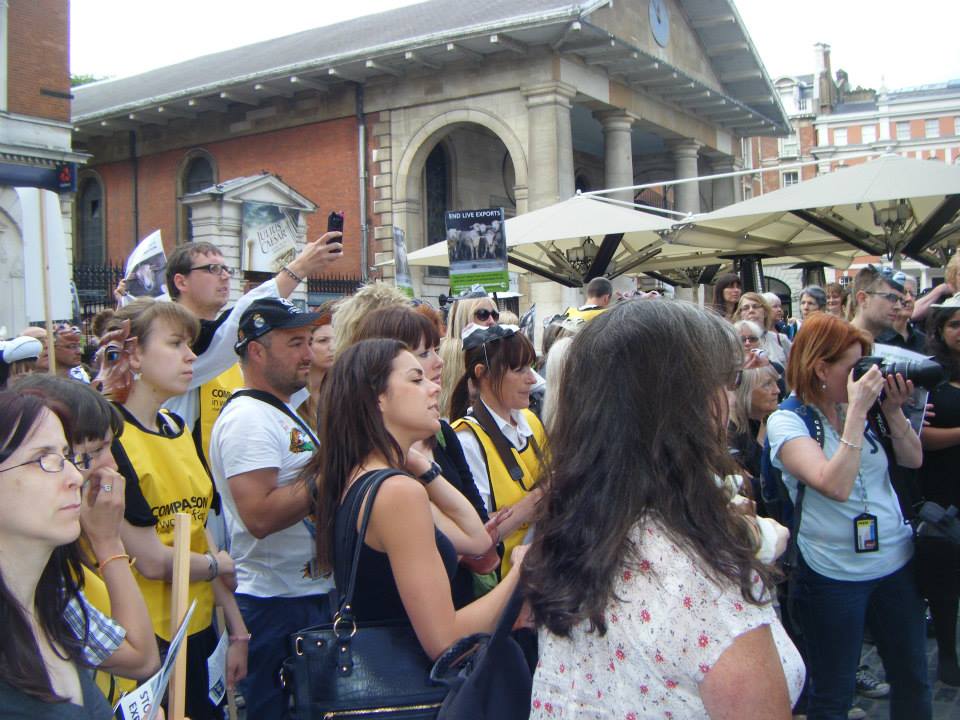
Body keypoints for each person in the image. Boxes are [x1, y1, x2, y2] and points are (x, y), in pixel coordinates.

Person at [524, 300, 804, 719]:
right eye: (725, 382)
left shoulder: (574, 523)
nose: (729, 399)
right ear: (684, 404)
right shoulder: (709, 584)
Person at [307, 338, 526, 662]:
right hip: (409, 676)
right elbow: (445, 641)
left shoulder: (365, 476)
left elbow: (477, 539)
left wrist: (422, 466)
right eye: (415, 379)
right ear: (378, 398)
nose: (434, 388)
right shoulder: (396, 492)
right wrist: (523, 572)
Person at [767, 312, 930, 719]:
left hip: (896, 563)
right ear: (821, 369)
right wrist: (856, 413)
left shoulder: (869, 409)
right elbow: (834, 485)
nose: (866, 376)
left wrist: (892, 410)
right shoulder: (788, 420)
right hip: (832, 574)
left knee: (912, 677)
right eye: (854, 367)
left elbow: (913, 459)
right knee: (833, 691)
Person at [105, 298, 248, 720]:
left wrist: (236, 628)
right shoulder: (110, 439)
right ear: (134, 354)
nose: (191, 356)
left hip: (198, 624)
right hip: (147, 635)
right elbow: (150, 560)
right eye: (175, 344)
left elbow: (199, 532)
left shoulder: (177, 427)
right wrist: (216, 565)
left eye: (190, 344)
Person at [209, 297, 335, 719]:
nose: (308, 354)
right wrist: (332, 469)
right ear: (257, 351)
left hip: (304, 597)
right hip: (275, 606)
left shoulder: (278, 411)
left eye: (309, 341)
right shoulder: (248, 419)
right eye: (295, 343)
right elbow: (259, 516)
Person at [11, 375, 162, 703]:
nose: (112, 466)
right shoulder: (37, 566)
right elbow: (140, 657)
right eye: (91, 453)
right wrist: (108, 542)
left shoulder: (52, 562)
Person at [354, 305, 498, 606]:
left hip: (462, 601)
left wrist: (423, 467)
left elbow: (481, 538)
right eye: (421, 359)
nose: (439, 362)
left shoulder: (440, 435)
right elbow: (439, 629)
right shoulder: (384, 478)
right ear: (379, 387)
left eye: (436, 349)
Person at [451, 324, 544, 576]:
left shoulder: (530, 420)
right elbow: (474, 534)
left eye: (531, 367)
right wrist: (535, 501)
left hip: (541, 573)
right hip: (504, 584)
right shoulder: (466, 440)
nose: (532, 379)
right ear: (483, 374)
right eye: (519, 370)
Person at [916, 292, 960, 686]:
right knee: (945, 582)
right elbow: (919, 437)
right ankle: (947, 654)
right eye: (955, 324)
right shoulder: (930, 374)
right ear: (941, 329)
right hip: (944, 489)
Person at [438, 293, 500, 418]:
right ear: (464, 318)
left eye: (494, 315)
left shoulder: (497, 350)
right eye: (482, 314)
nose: (491, 321)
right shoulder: (450, 353)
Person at [297, 310, 335, 431]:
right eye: (323, 340)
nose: (332, 347)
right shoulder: (295, 394)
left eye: (335, 340)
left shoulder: (337, 390)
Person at [734, 293, 792, 365]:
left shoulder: (780, 339)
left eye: (755, 306)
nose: (751, 310)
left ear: (765, 312)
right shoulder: (734, 343)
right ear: (740, 314)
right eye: (746, 308)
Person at [876, 275, 926, 353]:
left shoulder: (924, 341)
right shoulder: (874, 338)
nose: (909, 298)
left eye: (912, 294)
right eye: (903, 293)